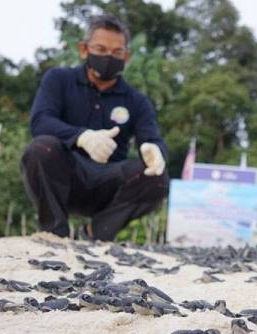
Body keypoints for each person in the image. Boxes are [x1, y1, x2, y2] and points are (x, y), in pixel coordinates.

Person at [20, 15, 169, 241]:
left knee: (157, 177)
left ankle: (97, 233)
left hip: (109, 183)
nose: (108, 57)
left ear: (126, 56)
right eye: (100, 49)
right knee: (41, 147)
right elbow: (40, 121)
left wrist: (155, 151)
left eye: (117, 52)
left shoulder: (137, 100)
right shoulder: (59, 79)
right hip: (64, 175)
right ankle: (54, 233)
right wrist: (82, 137)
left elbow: (152, 139)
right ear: (84, 49)